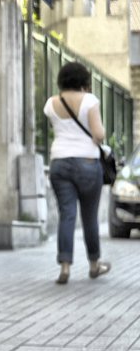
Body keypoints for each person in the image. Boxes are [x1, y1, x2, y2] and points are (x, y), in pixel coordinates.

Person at [43, 62, 111, 284]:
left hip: (59, 163)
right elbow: (99, 134)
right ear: (84, 81)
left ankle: (65, 266)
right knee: (89, 217)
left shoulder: (51, 103)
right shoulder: (90, 100)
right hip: (87, 163)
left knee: (67, 214)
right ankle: (94, 264)